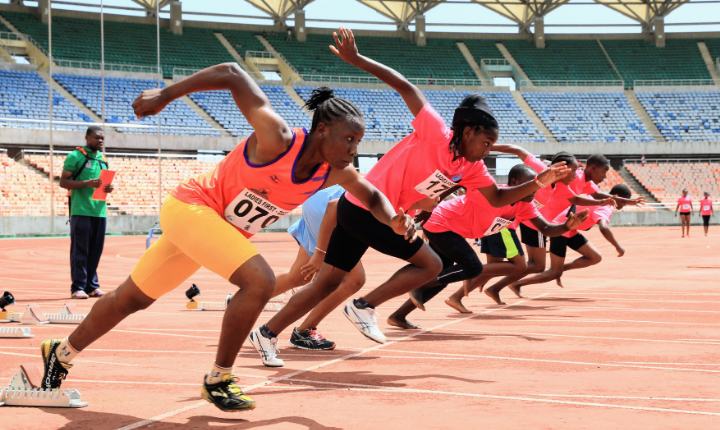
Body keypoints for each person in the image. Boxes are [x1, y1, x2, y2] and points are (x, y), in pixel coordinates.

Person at [39, 63, 416, 413]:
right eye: (348, 139)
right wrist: (164, 95)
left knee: (130, 299)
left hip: (211, 230)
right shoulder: (277, 139)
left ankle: (61, 352)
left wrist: (394, 221)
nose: (353, 151)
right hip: (191, 206)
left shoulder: (334, 173)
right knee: (260, 280)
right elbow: (233, 73)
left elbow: (373, 196)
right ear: (322, 130)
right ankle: (219, 378)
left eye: (358, 143)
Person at [248, 27, 570, 367]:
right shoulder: (434, 131)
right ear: (468, 131)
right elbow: (405, 85)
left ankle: (266, 333)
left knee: (328, 281)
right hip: (364, 207)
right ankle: (363, 306)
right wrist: (356, 60)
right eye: (486, 143)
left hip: (371, 212)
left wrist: (540, 181)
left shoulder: (471, 169)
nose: (488, 151)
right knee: (430, 264)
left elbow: (499, 197)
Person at [387, 163, 589, 327]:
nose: (535, 192)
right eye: (532, 186)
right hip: (441, 223)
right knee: (471, 267)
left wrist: (566, 226)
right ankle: (420, 287)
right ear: (514, 182)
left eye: (538, 188)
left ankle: (399, 315)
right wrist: (431, 203)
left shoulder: (525, 204)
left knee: (447, 274)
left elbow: (545, 228)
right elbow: (461, 181)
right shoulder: (492, 192)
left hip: (455, 230)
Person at [483, 152, 618, 305]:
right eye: (573, 170)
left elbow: (576, 198)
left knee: (535, 266)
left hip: (546, 224)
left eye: (575, 170)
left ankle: (489, 282)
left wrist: (604, 202)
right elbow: (518, 151)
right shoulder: (552, 177)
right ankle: (484, 280)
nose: (574, 174)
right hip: (540, 224)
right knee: (536, 265)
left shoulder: (567, 185)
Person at [276, 184, 366, 350]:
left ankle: (247, 298)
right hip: (328, 205)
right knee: (354, 279)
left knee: (298, 275)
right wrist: (321, 252)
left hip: (322, 198)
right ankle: (303, 331)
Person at [512, 184, 633, 291]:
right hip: (560, 229)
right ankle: (517, 283)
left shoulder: (598, 199)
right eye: (625, 201)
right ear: (618, 197)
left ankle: (560, 268)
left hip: (570, 230)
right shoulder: (604, 207)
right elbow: (604, 228)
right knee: (553, 272)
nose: (625, 204)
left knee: (595, 257)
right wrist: (618, 246)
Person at [60, 126, 114, 299]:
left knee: (95, 251)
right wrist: (85, 183)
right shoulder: (76, 156)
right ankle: (77, 287)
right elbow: (63, 182)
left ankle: (92, 286)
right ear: (87, 138)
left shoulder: (102, 158)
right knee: (80, 251)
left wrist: (108, 188)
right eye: (97, 138)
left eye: (102, 138)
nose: (100, 141)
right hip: (81, 210)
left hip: (99, 211)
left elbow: (102, 184)